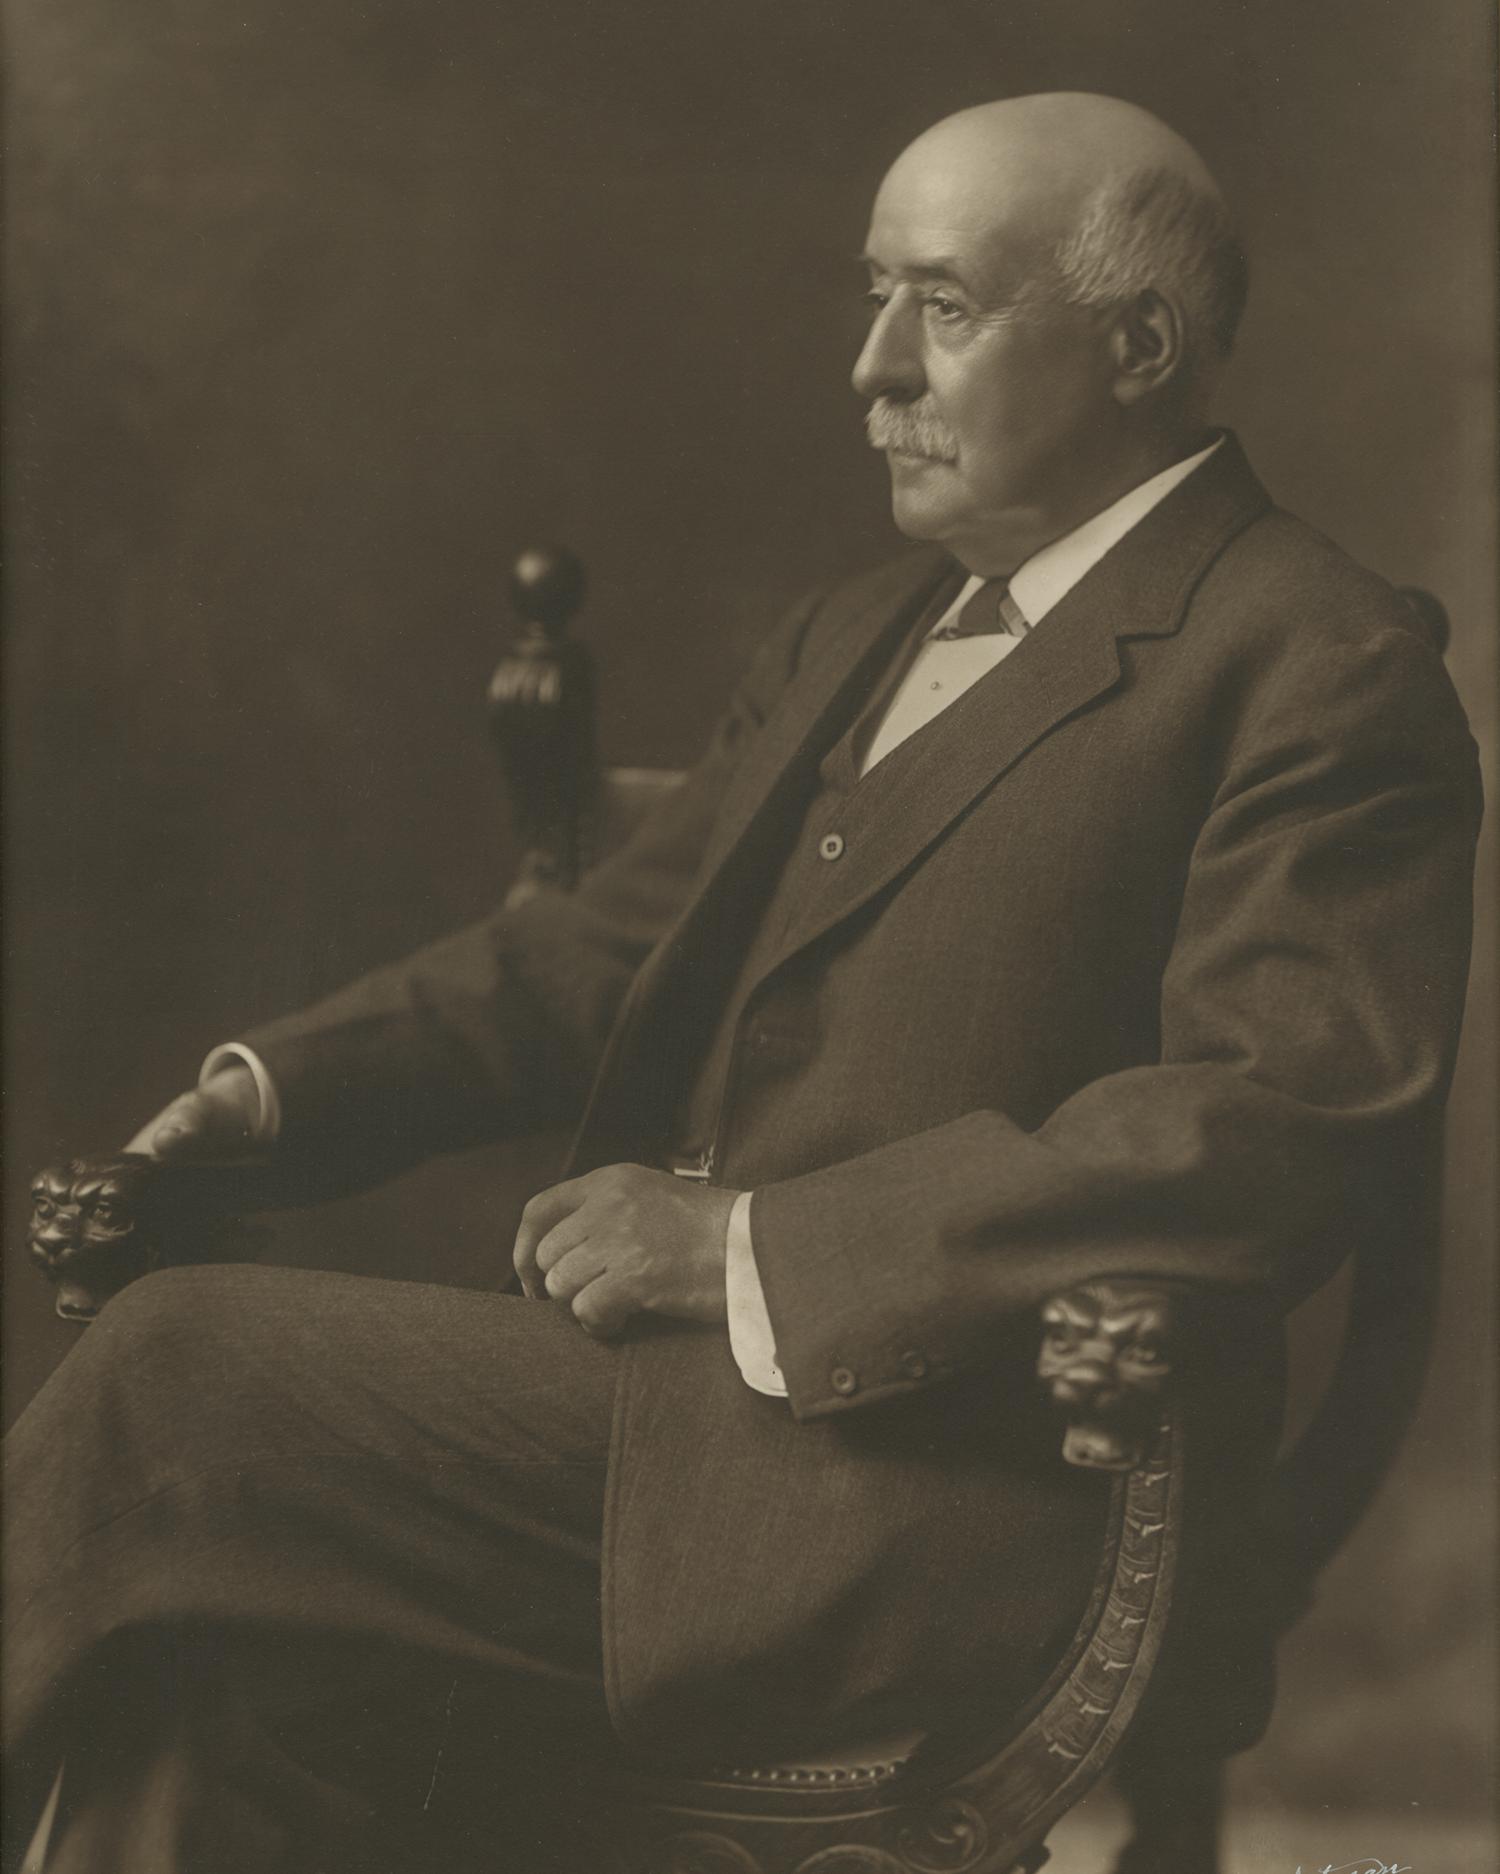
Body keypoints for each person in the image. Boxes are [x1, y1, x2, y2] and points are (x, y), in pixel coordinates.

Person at [4, 92, 1480, 1874]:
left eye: (943, 306)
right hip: (661, 1439)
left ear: (1141, 346)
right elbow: (600, 948)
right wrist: (269, 1087)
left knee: (175, 1371)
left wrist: (738, 1247)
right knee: (193, 1661)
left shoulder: (1318, 659)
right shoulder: (859, 629)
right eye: (876, 296)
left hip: (963, 1481)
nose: (873, 368)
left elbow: (1260, 1130)